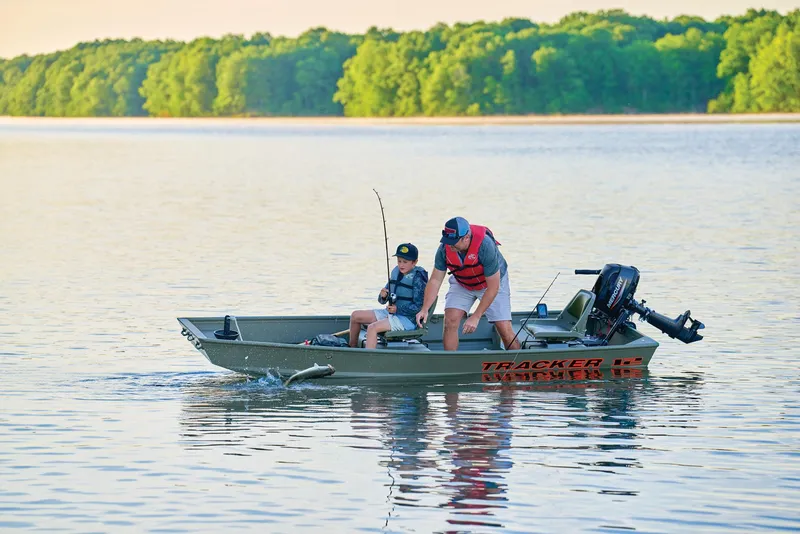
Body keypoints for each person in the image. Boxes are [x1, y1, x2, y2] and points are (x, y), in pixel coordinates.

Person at [416, 217, 520, 351]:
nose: (450, 245)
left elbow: (493, 288)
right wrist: (425, 308)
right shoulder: (444, 248)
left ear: (466, 237)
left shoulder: (485, 246)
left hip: (490, 283)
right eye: (448, 241)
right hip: (463, 282)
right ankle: (451, 363)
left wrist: (476, 317)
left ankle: (517, 366)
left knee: (503, 328)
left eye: (453, 242)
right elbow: (435, 280)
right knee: (450, 321)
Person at [349, 243, 428, 349]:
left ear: (414, 262)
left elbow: (419, 307)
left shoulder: (418, 278)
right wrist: (383, 296)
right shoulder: (396, 273)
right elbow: (381, 301)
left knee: (372, 328)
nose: (401, 265)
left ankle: (369, 361)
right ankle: (352, 348)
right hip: (391, 314)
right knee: (355, 316)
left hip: (407, 320)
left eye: (405, 262)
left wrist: (397, 309)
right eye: (399, 261)